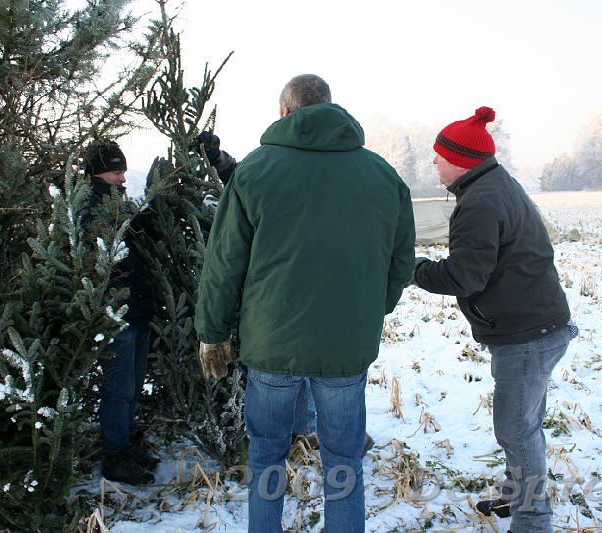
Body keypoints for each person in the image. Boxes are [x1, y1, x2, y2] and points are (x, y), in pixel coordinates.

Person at [194, 74, 415, 533]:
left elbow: (224, 262)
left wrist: (213, 332)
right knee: (343, 463)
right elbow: (399, 263)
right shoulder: (382, 176)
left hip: (271, 346)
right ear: (331, 109)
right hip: (344, 349)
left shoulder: (254, 171)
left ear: (284, 113)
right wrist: (370, 311)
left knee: (268, 457)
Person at [412, 107, 576, 533]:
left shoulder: (481, 202)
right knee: (525, 423)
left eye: (439, 155)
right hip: (537, 323)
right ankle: (515, 494)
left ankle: (533, 522)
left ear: (462, 159)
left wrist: (414, 269)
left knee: (517, 430)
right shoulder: (492, 185)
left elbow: (463, 276)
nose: (434, 161)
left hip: (526, 333)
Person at [82, 142, 160, 485]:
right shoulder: (88, 207)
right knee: (120, 388)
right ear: (96, 172)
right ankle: (115, 454)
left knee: (134, 384)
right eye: (116, 172)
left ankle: (127, 443)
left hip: (137, 308)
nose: (122, 177)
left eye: (123, 171)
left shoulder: (117, 202)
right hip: (117, 313)